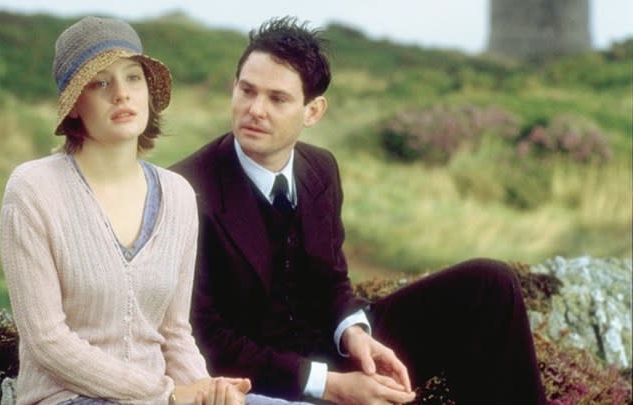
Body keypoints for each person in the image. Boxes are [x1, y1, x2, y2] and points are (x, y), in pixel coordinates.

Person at [170, 16, 548, 405]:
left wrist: (356, 335)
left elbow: (331, 281)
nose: (255, 110)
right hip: (260, 382)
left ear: (312, 111)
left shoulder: (320, 169)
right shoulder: (182, 190)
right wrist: (332, 386)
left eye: (277, 98)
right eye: (246, 91)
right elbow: (206, 339)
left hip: (333, 353)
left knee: (490, 284)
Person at [0, 16, 254, 405]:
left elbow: (174, 334)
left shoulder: (178, 195)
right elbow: (47, 341)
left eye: (133, 77)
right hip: (68, 398)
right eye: (100, 82)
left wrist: (207, 392)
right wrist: (167, 395)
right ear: (73, 106)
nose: (121, 94)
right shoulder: (33, 190)